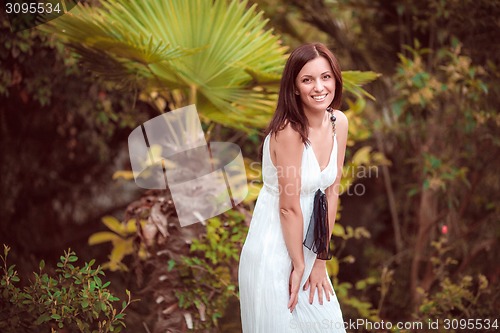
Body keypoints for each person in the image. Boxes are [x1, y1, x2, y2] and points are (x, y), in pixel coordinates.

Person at [238, 42, 348, 333]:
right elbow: (288, 207)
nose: (319, 87)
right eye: (307, 79)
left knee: (329, 326)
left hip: (309, 247)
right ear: (295, 87)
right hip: (273, 247)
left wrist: (320, 258)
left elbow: (332, 190)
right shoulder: (288, 131)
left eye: (326, 77)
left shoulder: (339, 122)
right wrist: (299, 264)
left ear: (336, 79)